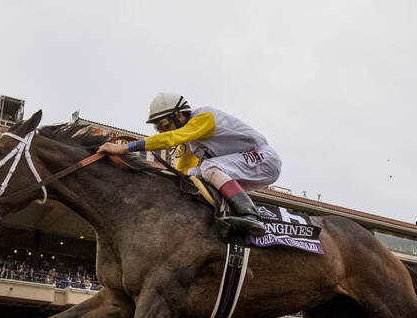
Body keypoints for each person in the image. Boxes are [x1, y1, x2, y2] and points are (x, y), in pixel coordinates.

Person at [97, 93, 281, 236]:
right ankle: (219, 216)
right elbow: (182, 172)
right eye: (157, 127)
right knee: (194, 173)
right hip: (248, 164)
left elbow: (171, 138)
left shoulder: (203, 118)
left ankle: (250, 216)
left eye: (163, 123)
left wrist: (124, 149)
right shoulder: (189, 143)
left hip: (264, 159)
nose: (161, 130)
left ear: (179, 114)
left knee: (208, 167)